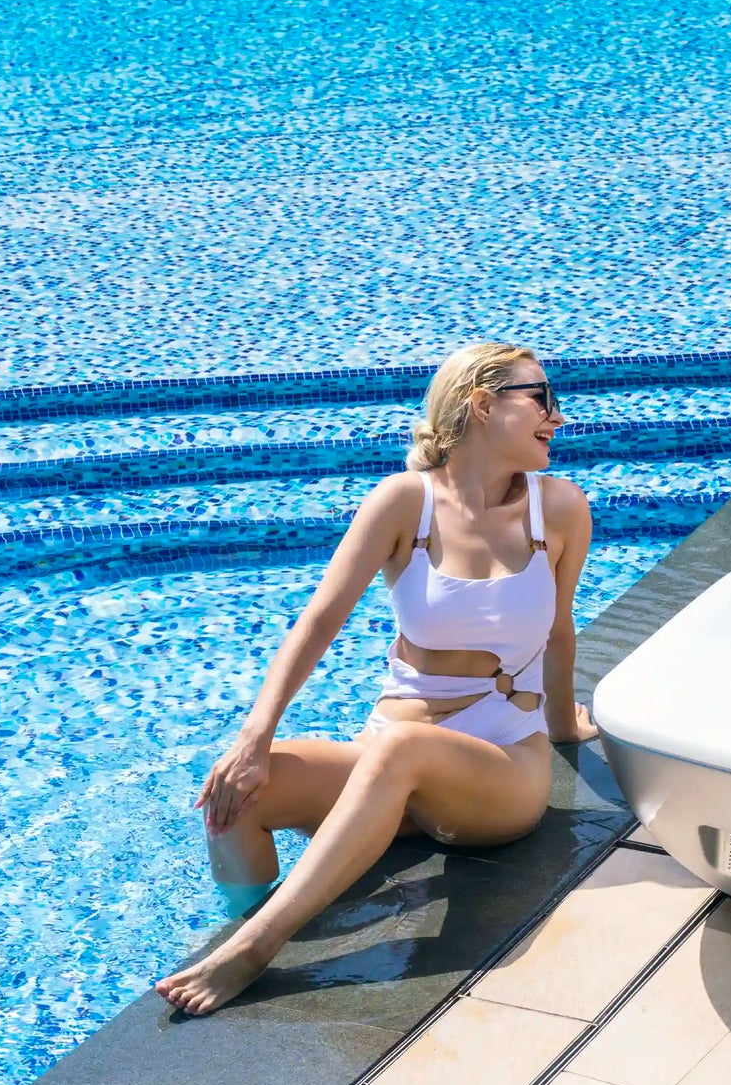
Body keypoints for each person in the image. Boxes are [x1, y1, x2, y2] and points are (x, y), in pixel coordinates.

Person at [157, 342, 598, 1016]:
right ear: (482, 404)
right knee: (237, 797)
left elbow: (560, 629)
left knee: (399, 752)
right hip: (391, 757)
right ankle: (248, 915)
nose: (557, 417)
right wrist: (254, 736)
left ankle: (255, 947)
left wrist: (564, 726)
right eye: (540, 397)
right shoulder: (403, 502)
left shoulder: (560, 509)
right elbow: (318, 621)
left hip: (502, 767)